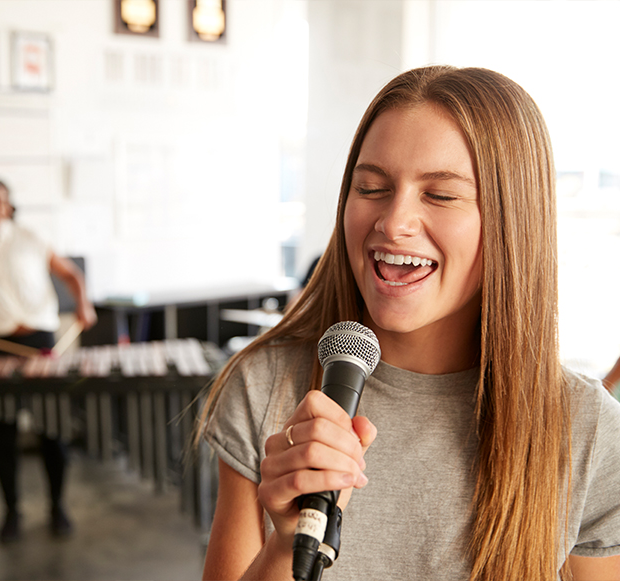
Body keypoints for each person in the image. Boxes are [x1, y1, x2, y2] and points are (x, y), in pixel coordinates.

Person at [199, 66, 620, 580]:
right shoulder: (264, 386)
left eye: (441, 195)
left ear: (514, 221)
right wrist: (285, 549)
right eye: (371, 187)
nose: (394, 222)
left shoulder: (588, 428)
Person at [0, 173, 97, 543]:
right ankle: (11, 513)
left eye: (4, 200)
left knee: (51, 431)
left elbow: (72, 275)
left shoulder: (29, 238)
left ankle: (57, 506)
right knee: (5, 434)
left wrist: (83, 304)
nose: (0, 208)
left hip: (41, 342)